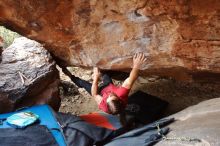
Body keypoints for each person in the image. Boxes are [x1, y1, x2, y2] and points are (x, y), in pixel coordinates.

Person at [61, 53, 146, 115]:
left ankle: (70, 75)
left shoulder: (104, 106)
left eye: (108, 98)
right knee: (105, 73)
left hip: (98, 92)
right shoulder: (122, 94)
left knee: (83, 83)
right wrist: (136, 66)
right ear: (119, 98)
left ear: (106, 103)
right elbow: (131, 79)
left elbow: (94, 94)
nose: (108, 95)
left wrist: (96, 78)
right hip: (108, 86)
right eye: (112, 96)